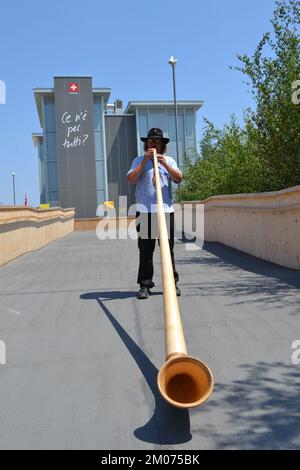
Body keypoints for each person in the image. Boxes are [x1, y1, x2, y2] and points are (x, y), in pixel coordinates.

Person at [127, 128, 183, 300]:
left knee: (167, 250)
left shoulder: (169, 160)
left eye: (157, 141)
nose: (153, 143)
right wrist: (144, 163)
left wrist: (164, 164)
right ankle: (145, 285)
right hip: (145, 213)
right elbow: (131, 179)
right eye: (150, 141)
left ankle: (172, 284)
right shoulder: (138, 160)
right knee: (145, 251)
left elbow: (179, 178)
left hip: (165, 212)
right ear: (146, 143)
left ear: (162, 145)